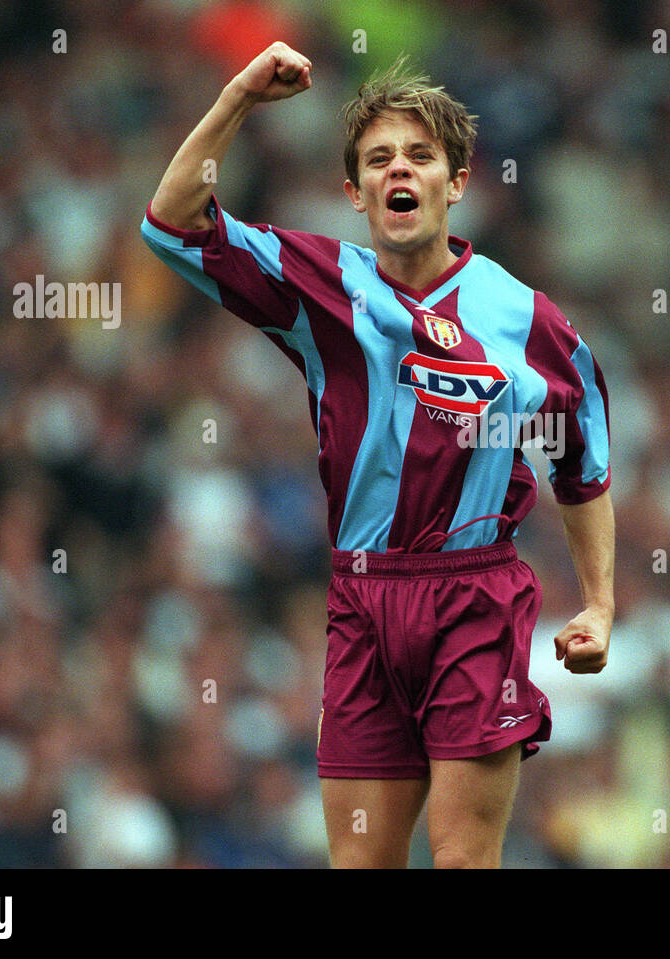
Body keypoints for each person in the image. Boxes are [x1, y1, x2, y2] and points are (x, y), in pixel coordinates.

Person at [141, 43, 614, 868]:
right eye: (379, 159)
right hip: (363, 601)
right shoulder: (319, 284)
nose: (402, 169)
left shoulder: (526, 319)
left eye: (422, 156)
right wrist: (240, 97)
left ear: (454, 182)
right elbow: (173, 223)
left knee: (464, 858)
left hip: (474, 596)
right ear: (355, 192)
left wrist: (602, 603)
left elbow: (581, 465)